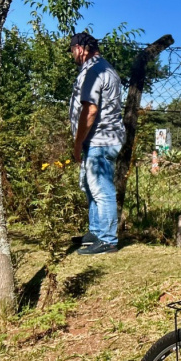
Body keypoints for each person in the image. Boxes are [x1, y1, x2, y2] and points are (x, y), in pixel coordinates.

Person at [69, 32, 126, 255]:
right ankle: (96, 231)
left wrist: (77, 143)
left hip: (100, 140)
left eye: (72, 50)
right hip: (99, 139)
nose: (72, 55)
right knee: (90, 187)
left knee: (101, 188)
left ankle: (107, 240)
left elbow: (90, 110)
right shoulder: (103, 68)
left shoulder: (94, 71)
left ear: (79, 48)